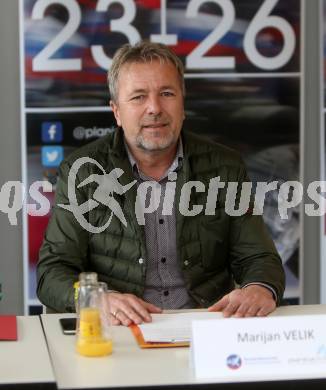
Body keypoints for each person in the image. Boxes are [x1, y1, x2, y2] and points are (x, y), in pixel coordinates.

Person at [37, 41, 285, 326]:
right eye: (138, 97)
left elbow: (259, 257)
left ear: (183, 103)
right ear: (117, 111)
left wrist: (259, 287)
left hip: (206, 328)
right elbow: (53, 271)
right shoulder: (82, 172)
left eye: (166, 93)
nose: (154, 108)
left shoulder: (225, 167)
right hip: (120, 332)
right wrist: (98, 299)